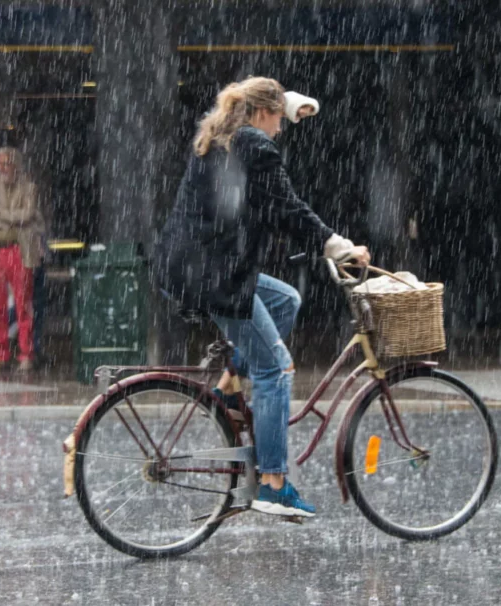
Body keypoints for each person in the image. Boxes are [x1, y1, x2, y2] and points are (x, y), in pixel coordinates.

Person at [155, 77, 370, 518]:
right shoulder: (255, 145)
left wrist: (288, 103)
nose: (281, 129)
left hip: (198, 267)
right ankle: (273, 482)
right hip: (217, 275)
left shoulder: (225, 138)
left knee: (286, 299)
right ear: (260, 114)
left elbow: (265, 205)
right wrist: (337, 245)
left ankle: (231, 384)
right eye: (278, 119)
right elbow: (288, 208)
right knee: (277, 370)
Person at [0, 147, 45, 372]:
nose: (3, 168)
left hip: (19, 250)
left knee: (23, 304)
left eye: (7, 163)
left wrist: (2, 216)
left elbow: (28, 214)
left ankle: (26, 354)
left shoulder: (29, 187)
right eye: (0, 164)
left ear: (17, 165)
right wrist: (11, 219)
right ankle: (0, 353)